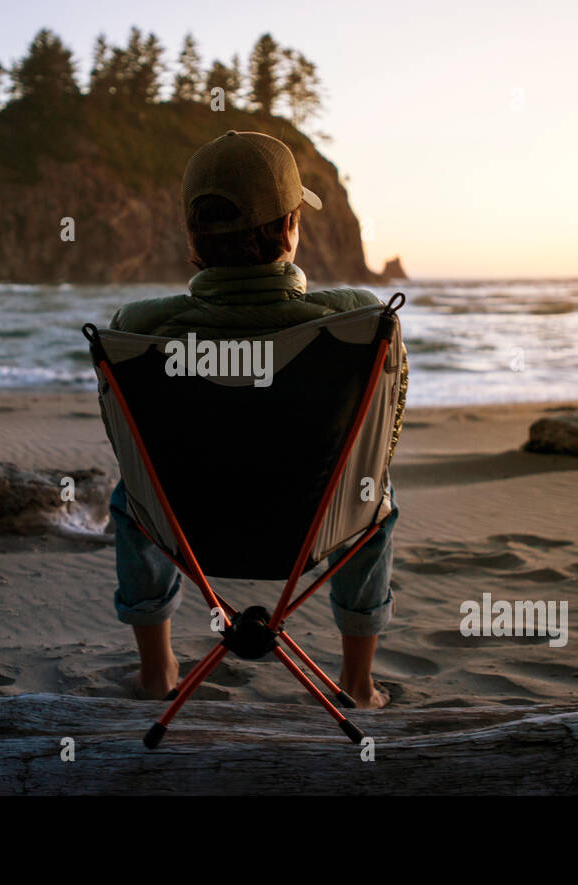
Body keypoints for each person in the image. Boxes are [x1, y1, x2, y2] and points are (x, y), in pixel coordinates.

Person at [104, 130, 406, 709]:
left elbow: (130, 452)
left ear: (193, 233)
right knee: (375, 494)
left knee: (131, 496)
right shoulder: (363, 320)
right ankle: (359, 683)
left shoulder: (136, 330)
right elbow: (380, 440)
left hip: (187, 533)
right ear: (291, 226)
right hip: (311, 534)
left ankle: (156, 669)